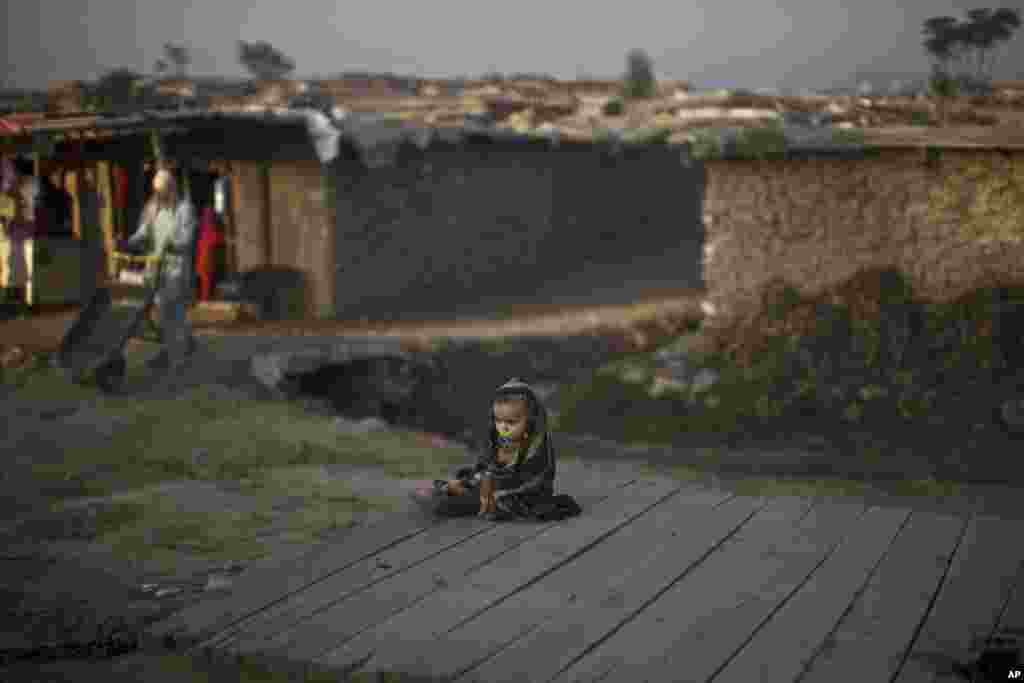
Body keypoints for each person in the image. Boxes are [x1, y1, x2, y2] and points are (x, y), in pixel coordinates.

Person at [411, 378, 581, 521]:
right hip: (494, 486)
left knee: (484, 501)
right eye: (499, 420)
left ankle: (455, 500)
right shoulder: (499, 439)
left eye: (512, 422)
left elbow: (529, 477)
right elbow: (488, 466)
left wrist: (486, 486)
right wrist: (473, 480)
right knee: (465, 487)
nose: (504, 427)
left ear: (530, 419)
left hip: (522, 492)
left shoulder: (536, 445)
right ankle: (454, 494)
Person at [118, 167, 198, 373]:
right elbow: (143, 232)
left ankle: (178, 360)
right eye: (158, 192)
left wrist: (172, 244)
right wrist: (129, 242)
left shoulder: (185, 209)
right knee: (163, 316)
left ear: (173, 188)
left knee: (176, 315)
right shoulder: (152, 208)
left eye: (164, 192)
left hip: (176, 271)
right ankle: (173, 353)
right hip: (155, 269)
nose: (160, 196)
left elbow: (187, 240)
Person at [195, 206, 224, 301]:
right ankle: (205, 299)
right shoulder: (209, 229)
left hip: (202, 261)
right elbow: (218, 239)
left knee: (205, 283)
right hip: (207, 262)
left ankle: (204, 298)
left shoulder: (203, 230)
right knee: (206, 283)